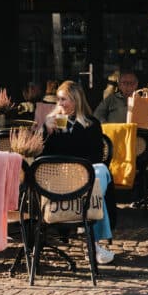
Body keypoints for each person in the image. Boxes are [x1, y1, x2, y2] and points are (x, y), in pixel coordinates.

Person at [43, 80, 115, 265]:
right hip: (60, 177)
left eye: (63, 99)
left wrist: (77, 166)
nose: (59, 104)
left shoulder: (91, 123)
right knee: (96, 184)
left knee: (98, 175)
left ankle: (94, 241)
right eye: (58, 100)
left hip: (85, 173)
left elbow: (96, 156)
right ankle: (94, 244)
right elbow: (45, 156)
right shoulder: (55, 124)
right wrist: (47, 132)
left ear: (76, 100)